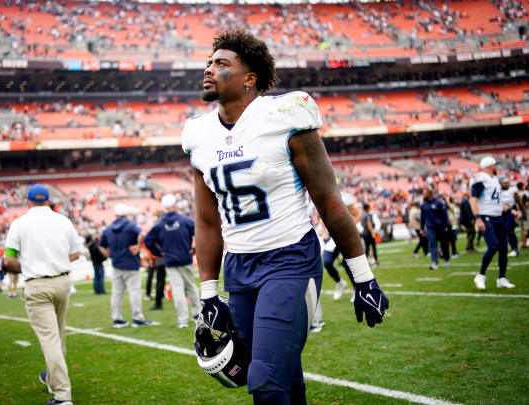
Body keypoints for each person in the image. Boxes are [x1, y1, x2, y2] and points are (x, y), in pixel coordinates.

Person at [186, 29, 388, 404]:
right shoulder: (197, 134)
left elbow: (328, 200)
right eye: (208, 62)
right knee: (284, 379)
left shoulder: (284, 114)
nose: (209, 69)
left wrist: (363, 278)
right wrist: (209, 293)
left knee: (264, 381)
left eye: (221, 63)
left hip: (290, 259)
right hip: (240, 268)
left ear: (250, 78)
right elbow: (208, 221)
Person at [4, 184, 80, 405]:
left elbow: (9, 260)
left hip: (37, 285)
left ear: (27, 201)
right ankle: (52, 378)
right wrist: (55, 262)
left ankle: (62, 394)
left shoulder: (19, 224)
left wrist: (29, 267)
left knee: (50, 339)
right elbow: (75, 252)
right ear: (48, 201)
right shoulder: (63, 220)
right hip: (62, 281)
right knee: (59, 333)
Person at [144, 194, 201, 329]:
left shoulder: (159, 224)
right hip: (185, 259)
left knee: (177, 290)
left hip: (169, 260)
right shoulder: (185, 220)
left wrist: (159, 253)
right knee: (191, 287)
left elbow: (148, 241)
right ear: (175, 206)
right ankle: (197, 315)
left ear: (164, 207)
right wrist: (194, 248)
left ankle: (182, 320)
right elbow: (200, 232)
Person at [99, 204, 153, 328]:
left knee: (117, 293)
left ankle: (117, 319)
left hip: (116, 264)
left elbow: (101, 245)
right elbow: (142, 234)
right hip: (131, 263)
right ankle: (137, 318)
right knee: (134, 291)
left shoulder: (109, 228)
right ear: (126, 214)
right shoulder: (130, 225)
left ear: (116, 214)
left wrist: (109, 255)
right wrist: (138, 246)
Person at [470, 157, 516, 289]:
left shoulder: (495, 180)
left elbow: (497, 201)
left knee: (503, 247)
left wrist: (511, 211)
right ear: (491, 166)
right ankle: (480, 275)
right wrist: (478, 218)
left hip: (498, 217)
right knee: (493, 245)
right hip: (486, 216)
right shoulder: (480, 179)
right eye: (495, 165)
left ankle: (502, 278)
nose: (497, 167)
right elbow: (473, 200)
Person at [421, 189, 451, 270]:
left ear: (429, 194)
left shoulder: (438, 203)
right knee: (432, 244)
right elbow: (422, 218)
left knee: (443, 244)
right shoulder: (423, 205)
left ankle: (446, 259)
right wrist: (422, 228)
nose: (423, 195)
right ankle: (435, 262)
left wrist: (445, 225)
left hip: (440, 227)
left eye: (424, 193)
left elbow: (444, 215)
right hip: (430, 228)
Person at [500, 177, 521, 258]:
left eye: (507, 182)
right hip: (501, 212)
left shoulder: (513, 190)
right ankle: (506, 249)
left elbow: (518, 201)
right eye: (504, 183)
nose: (506, 184)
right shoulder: (498, 190)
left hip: (510, 212)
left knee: (510, 231)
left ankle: (514, 249)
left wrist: (519, 211)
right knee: (503, 231)